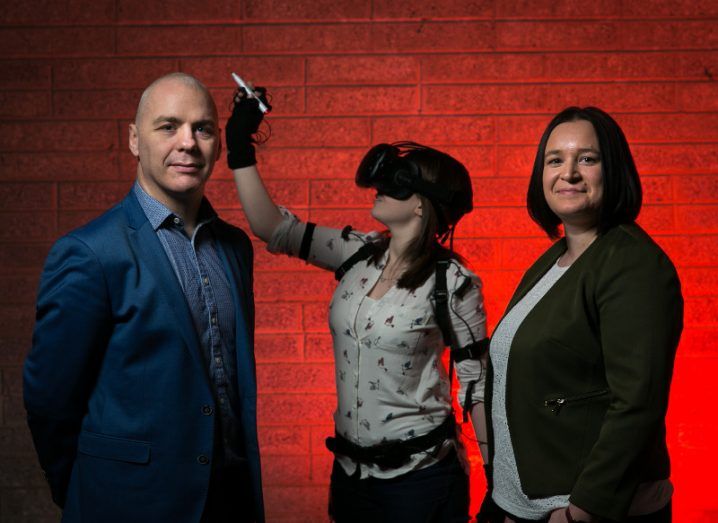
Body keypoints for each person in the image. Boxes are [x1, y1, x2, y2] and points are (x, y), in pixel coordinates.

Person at [226, 86, 489, 522]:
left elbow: (478, 387)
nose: (380, 189)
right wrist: (239, 145)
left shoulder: (454, 283)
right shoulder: (356, 253)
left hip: (420, 481)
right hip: (350, 477)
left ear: (422, 206)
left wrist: (501, 483)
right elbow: (271, 227)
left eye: (397, 184)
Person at [23, 73, 264, 522]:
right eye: (168, 126)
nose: (188, 142)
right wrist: (83, 490)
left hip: (229, 502)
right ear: (135, 140)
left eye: (203, 128)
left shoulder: (234, 247)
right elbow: (49, 401)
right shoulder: (91, 253)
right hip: (128, 504)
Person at [478, 107, 683, 523]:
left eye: (587, 159)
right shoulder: (554, 258)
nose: (568, 173)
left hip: (577, 510)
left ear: (615, 169)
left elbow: (637, 403)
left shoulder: (633, 263)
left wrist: (583, 511)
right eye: (555, 160)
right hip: (521, 501)